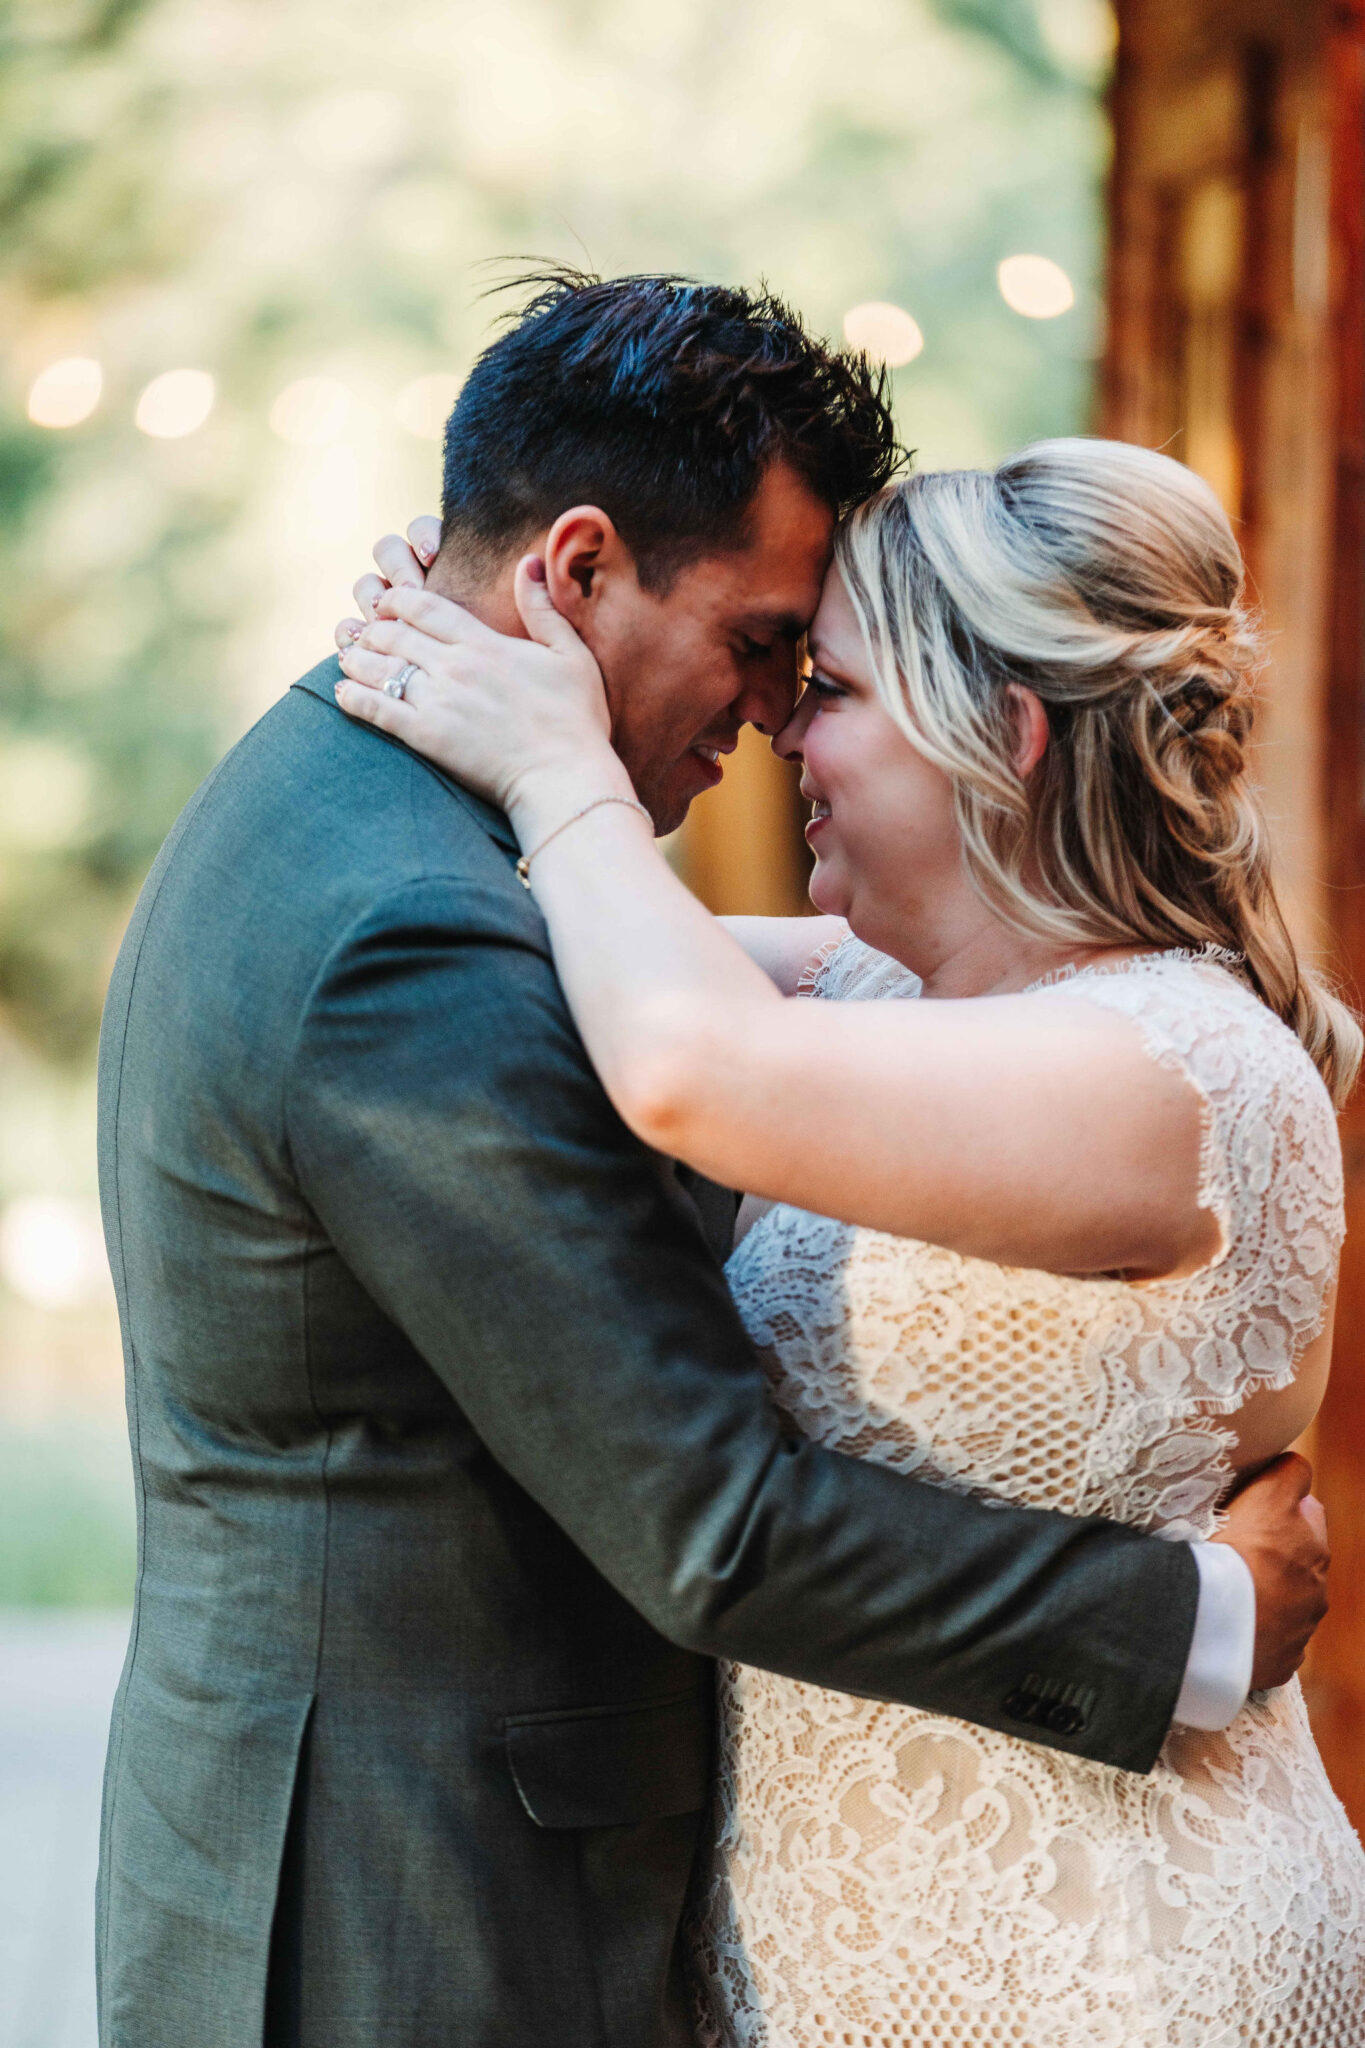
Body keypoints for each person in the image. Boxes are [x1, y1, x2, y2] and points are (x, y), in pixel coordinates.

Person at [95, 272, 1325, 2048]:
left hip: (1053, 1933)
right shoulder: (417, 928)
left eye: (820, 680)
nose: (766, 719)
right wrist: (1188, 1623)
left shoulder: (399, 834)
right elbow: (708, 1515)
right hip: (415, 1896)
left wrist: (552, 779)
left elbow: (702, 1018)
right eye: (763, 646)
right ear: (574, 572)